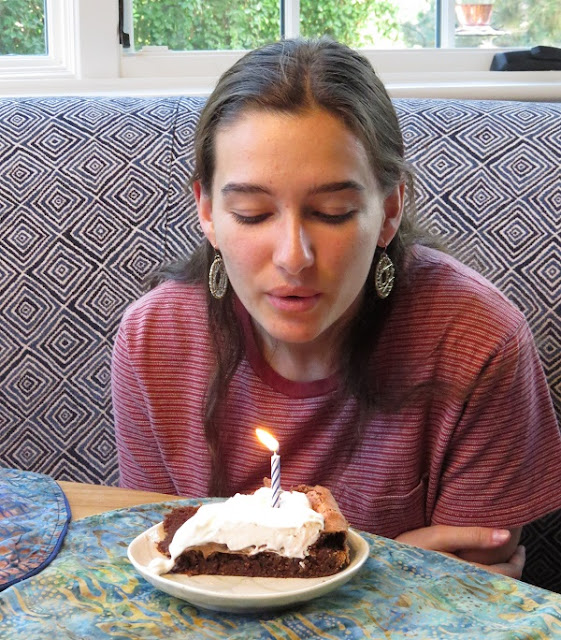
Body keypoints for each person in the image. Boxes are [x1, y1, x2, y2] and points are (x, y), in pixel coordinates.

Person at [111, 37, 561, 579]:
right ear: (207, 212)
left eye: (333, 212)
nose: (293, 257)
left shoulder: (477, 340)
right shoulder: (153, 341)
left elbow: (477, 584)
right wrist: (388, 572)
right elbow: (158, 565)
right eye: (252, 213)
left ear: (389, 210)